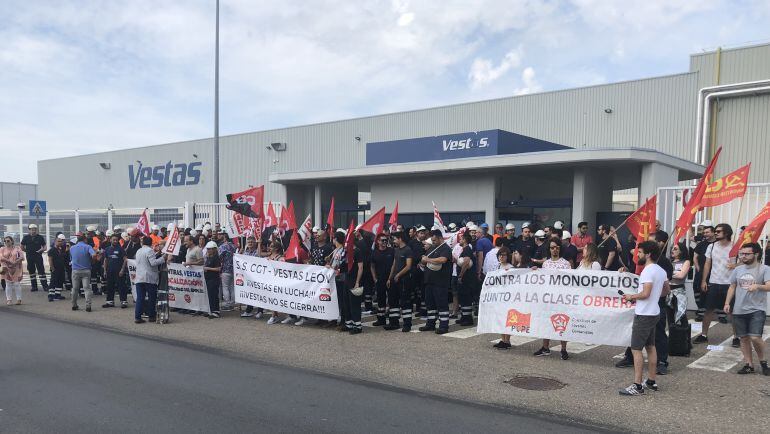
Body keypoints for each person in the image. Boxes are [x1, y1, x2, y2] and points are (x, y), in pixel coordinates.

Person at [619, 241, 668, 396]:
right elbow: (666, 290)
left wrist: (630, 296)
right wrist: (653, 296)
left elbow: (645, 293)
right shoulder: (660, 270)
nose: (637, 254)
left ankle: (637, 385)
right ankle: (651, 381)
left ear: (648, 254)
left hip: (644, 314)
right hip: (654, 312)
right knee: (651, 346)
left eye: (639, 252)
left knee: (636, 349)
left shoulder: (647, 271)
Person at [725, 243, 770, 375]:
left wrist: (758, 286)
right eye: (742, 254)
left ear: (756, 254)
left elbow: (768, 286)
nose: (743, 256)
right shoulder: (738, 270)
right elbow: (732, 286)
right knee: (743, 338)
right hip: (739, 309)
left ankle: (763, 362)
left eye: (746, 254)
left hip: (757, 308)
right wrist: (727, 303)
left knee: (755, 337)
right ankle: (748, 364)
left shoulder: (764, 269)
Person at [695, 223, 736, 345]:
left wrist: (735, 265)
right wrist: (704, 280)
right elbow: (707, 264)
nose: (716, 233)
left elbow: (745, 263)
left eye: (718, 231)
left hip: (730, 284)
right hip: (714, 282)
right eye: (716, 231)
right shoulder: (711, 247)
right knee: (708, 310)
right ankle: (704, 335)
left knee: (733, 312)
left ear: (726, 233)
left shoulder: (735, 247)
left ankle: (736, 337)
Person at [534, 239, 572, 359]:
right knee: (546, 321)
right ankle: (545, 347)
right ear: (549, 249)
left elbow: (570, 281)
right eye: (552, 247)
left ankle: (563, 349)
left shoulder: (566, 264)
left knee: (562, 323)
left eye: (556, 247)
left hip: (561, 298)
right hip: (548, 298)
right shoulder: (546, 264)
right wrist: (536, 272)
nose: (554, 249)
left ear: (560, 248)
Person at [419, 229, 452, 334]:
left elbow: (442, 260)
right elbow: (425, 260)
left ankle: (444, 325)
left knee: (441, 304)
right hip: (429, 281)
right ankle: (430, 323)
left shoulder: (445, 248)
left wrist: (427, 260)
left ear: (440, 238)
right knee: (430, 304)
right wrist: (423, 262)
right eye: (432, 240)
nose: (432, 242)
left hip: (440, 281)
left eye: (434, 240)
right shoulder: (432, 248)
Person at [133, 237, 167, 323]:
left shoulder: (139, 251)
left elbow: (147, 260)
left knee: (140, 298)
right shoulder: (149, 250)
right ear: (151, 243)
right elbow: (153, 263)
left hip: (139, 277)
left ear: (143, 243)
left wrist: (157, 254)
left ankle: (137, 317)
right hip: (149, 278)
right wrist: (163, 258)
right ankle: (151, 316)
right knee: (152, 297)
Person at [386, 231, 413, 331]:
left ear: (400, 239)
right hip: (394, 280)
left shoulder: (408, 250)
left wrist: (398, 274)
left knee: (405, 302)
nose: (394, 241)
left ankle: (407, 324)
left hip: (404, 280)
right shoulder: (396, 250)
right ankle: (394, 323)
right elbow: (394, 264)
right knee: (393, 301)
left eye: (395, 239)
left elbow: (408, 266)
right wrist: (390, 278)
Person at [492, 247, 516, 349]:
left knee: (507, 319)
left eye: (504, 255)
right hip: (498, 296)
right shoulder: (497, 266)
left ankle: (507, 340)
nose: (501, 257)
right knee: (500, 318)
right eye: (500, 255)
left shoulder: (511, 268)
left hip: (508, 297)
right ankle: (503, 339)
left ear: (508, 256)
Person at [370, 233, 395, 327]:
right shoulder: (374, 252)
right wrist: (374, 278)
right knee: (380, 299)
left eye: (386, 240)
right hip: (379, 280)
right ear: (378, 241)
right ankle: (381, 319)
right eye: (382, 240)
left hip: (390, 279)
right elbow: (372, 266)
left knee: (392, 299)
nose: (384, 242)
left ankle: (393, 321)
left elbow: (394, 264)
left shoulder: (392, 251)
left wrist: (391, 277)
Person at [69, 232, 98, 311]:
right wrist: (92, 260)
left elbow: (71, 259)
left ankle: (74, 305)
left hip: (75, 270)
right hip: (86, 270)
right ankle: (88, 306)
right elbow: (94, 255)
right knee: (86, 288)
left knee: (75, 288)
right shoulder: (88, 247)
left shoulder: (72, 248)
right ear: (85, 240)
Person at [692, 221, 715, 321]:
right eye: (704, 233)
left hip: (714, 273)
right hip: (701, 272)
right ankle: (700, 311)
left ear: (713, 232)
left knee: (712, 293)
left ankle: (720, 314)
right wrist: (697, 267)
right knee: (699, 291)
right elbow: (695, 257)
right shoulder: (701, 244)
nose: (705, 234)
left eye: (707, 232)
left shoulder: (717, 244)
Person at [455, 233, 478, 326]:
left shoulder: (467, 249)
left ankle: (468, 319)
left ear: (464, 240)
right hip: (465, 279)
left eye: (461, 239)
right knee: (462, 298)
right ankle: (464, 317)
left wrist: (460, 275)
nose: (459, 241)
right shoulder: (465, 249)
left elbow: (466, 261)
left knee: (466, 298)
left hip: (467, 279)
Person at [264, 241, 288, 324]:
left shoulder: (280, 258)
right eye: (269, 246)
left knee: (277, 298)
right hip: (269, 280)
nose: (269, 248)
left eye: (271, 246)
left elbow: (283, 268)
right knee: (272, 298)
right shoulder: (268, 257)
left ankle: (274, 316)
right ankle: (275, 315)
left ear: (276, 248)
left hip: (278, 282)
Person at [101, 234, 128, 309]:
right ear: (110, 240)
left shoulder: (121, 249)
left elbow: (125, 260)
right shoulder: (107, 249)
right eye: (114, 240)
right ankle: (110, 302)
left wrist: (122, 270)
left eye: (116, 240)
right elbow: (105, 260)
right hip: (110, 271)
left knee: (121, 287)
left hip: (119, 272)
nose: (115, 241)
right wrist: (105, 271)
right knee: (110, 287)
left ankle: (123, 302)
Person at [668, 242, 691, 327]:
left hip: (679, 290)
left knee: (681, 314)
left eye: (675, 249)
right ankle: (672, 337)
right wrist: (674, 273)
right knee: (669, 315)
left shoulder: (686, 262)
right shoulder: (669, 261)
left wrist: (669, 274)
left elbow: (681, 275)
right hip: (668, 290)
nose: (672, 250)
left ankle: (685, 337)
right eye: (672, 248)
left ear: (681, 251)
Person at [21, 224, 48, 293]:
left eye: (35, 229)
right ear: (29, 230)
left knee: (41, 271)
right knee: (31, 271)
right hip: (29, 257)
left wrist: (42, 250)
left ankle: (45, 286)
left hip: (38, 256)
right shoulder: (26, 237)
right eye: (32, 229)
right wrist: (26, 251)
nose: (34, 231)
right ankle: (34, 286)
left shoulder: (40, 237)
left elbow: (44, 246)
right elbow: (22, 246)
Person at [1, 236, 25, 305]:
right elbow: (1, 257)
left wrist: (15, 262)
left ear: (12, 241)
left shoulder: (17, 248)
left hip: (16, 268)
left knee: (16, 284)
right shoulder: (2, 249)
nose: (6, 242)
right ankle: (9, 300)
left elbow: (22, 257)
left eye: (8, 241)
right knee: (8, 284)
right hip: (6, 268)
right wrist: (9, 262)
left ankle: (19, 299)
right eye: (5, 241)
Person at [202, 241, 222, 318]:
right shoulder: (208, 258)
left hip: (214, 279)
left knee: (214, 295)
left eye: (210, 249)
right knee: (209, 295)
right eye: (207, 249)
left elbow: (218, 268)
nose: (208, 250)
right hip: (209, 279)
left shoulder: (216, 258)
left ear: (214, 249)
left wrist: (208, 268)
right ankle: (211, 310)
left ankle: (216, 311)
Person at [217, 232, 237, 311]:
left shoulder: (222, 246)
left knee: (225, 287)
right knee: (232, 287)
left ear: (225, 237)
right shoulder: (233, 246)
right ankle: (232, 303)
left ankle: (228, 304)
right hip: (233, 269)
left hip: (225, 269)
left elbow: (219, 257)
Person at [47, 234, 69, 301]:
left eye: (61, 241)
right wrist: (52, 268)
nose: (60, 242)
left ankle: (57, 294)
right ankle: (51, 295)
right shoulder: (52, 250)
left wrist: (67, 250)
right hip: (55, 268)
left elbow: (63, 256)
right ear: (55, 242)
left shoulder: (61, 249)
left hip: (61, 269)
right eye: (58, 241)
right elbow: (50, 259)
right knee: (53, 281)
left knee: (60, 281)